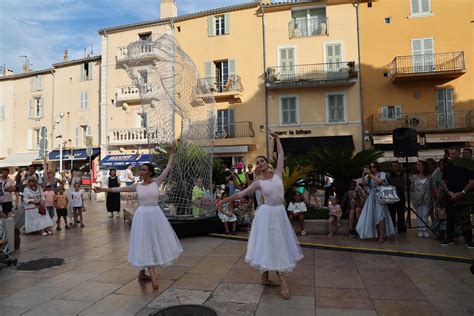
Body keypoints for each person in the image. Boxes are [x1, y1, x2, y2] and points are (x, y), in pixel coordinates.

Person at [217, 130, 303, 300]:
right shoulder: (259, 183)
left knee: (275, 244)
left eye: (262, 160)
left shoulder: (278, 174)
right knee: (273, 245)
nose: (260, 163)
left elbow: (281, 155)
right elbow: (240, 195)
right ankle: (282, 281)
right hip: (267, 214)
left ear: (267, 163)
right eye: (258, 162)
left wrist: (277, 139)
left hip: (279, 214)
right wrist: (224, 200)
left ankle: (265, 277)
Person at [93, 145, 182, 290]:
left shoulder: (156, 182)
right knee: (145, 242)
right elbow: (118, 189)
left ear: (150, 172)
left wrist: (172, 153)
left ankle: (142, 273)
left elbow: (168, 168)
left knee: (152, 242)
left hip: (155, 215)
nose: (141, 171)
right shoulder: (137, 186)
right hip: (142, 216)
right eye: (140, 169)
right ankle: (153, 276)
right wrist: (102, 189)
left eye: (144, 169)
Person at [441, 146, 474, 248]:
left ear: (459, 153)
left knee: (465, 218)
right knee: (450, 217)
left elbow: (472, 181)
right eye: (450, 154)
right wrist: (447, 191)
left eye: (453, 153)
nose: (451, 156)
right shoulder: (448, 165)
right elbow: (443, 180)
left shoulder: (467, 165)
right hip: (450, 195)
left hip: (464, 196)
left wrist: (462, 192)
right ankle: (449, 238)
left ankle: (468, 240)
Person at [356, 162, 396, 243]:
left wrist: (370, 175)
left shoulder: (382, 174)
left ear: (377, 167)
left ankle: (382, 236)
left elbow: (380, 181)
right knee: (373, 216)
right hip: (372, 197)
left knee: (380, 215)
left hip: (380, 197)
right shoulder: (369, 176)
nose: (372, 168)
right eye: (371, 167)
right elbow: (363, 184)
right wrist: (363, 175)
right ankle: (377, 234)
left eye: (373, 166)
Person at [411, 161, 433, 238]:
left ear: (423, 166)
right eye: (417, 165)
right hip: (417, 199)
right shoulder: (413, 177)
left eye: (419, 165)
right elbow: (412, 188)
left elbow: (431, 188)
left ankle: (425, 229)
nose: (417, 166)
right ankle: (420, 229)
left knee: (425, 214)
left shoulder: (429, 177)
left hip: (427, 198)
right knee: (419, 214)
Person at [387, 161, 406, 233]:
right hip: (392, 195)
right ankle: (392, 228)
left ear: (399, 167)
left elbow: (405, 185)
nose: (394, 167)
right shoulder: (389, 175)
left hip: (400, 195)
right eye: (393, 166)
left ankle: (401, 228)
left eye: (396, 166)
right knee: (392, 212)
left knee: (401, 212)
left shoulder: (403, 174)